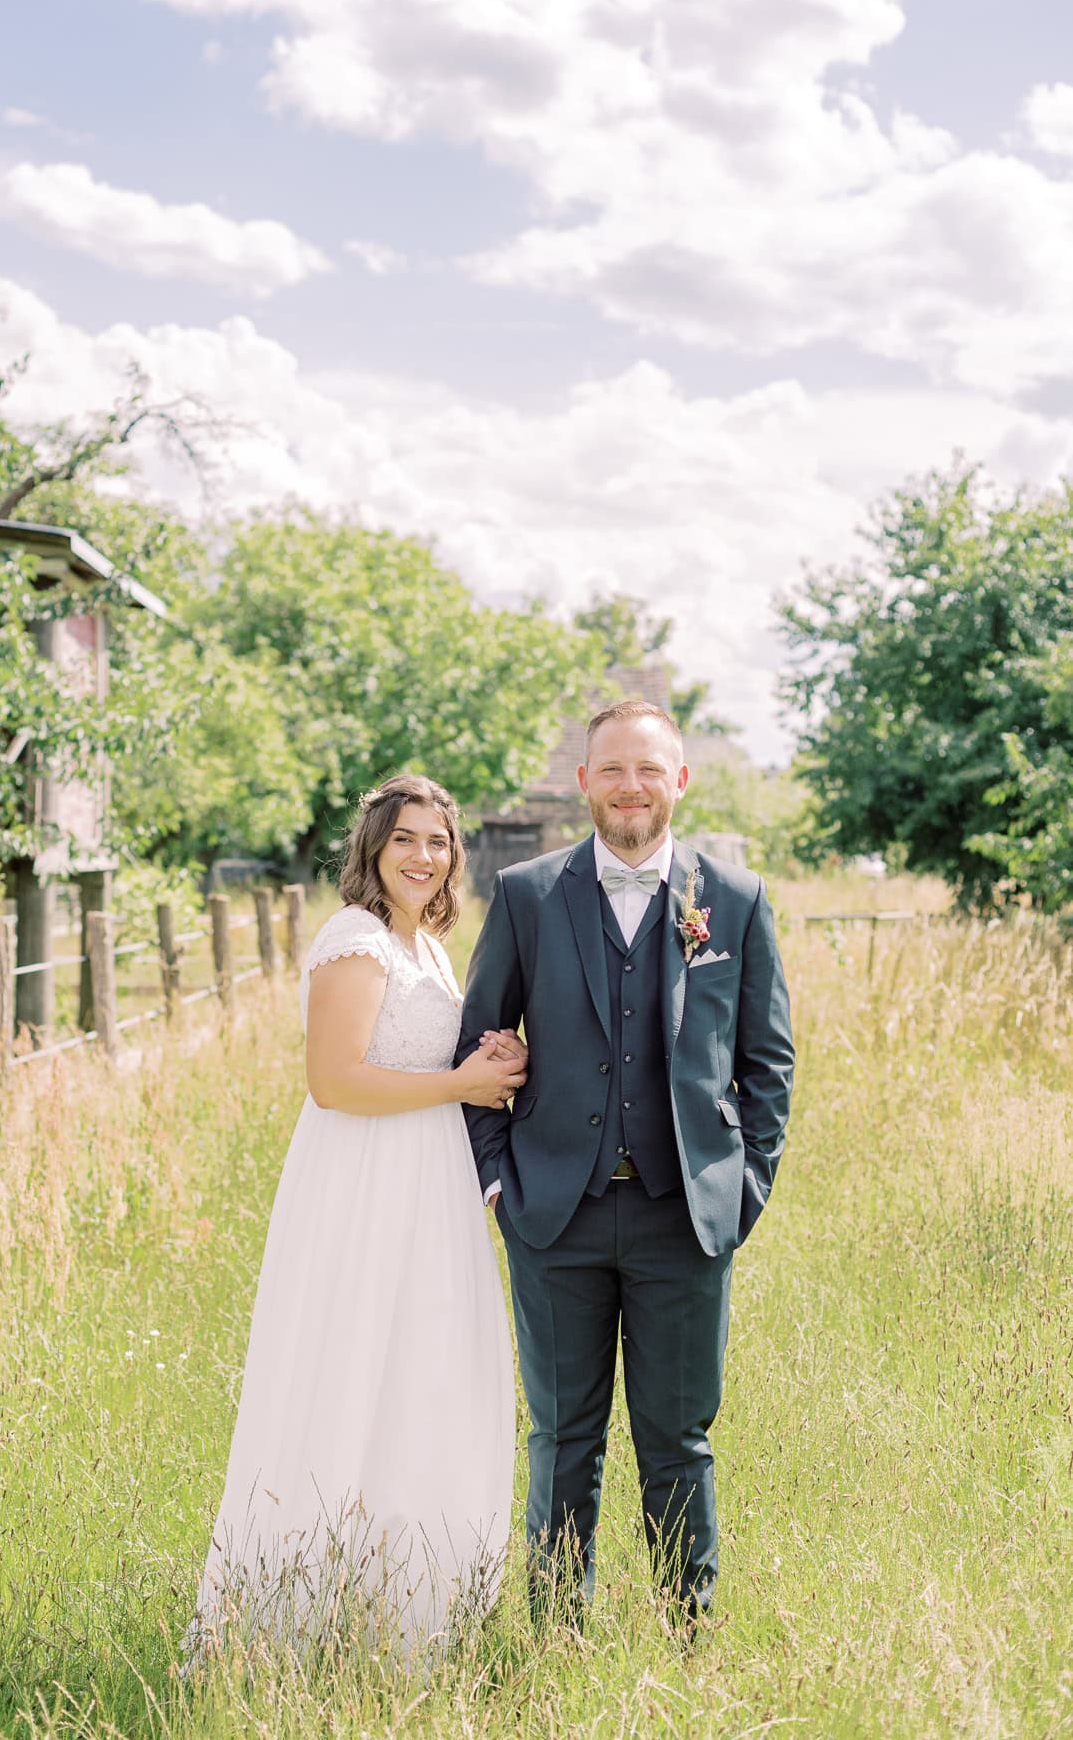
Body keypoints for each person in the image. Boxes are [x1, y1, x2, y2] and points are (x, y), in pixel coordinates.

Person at [457, 701, 794, 1634]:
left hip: (685, 1217)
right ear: (584, 783)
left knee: (678, 1440)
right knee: (563, 1437)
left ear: (680, 779)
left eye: (650, 769)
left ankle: (690, 1631)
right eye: (612, 769)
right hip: (551, 1214)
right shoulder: (526, 895)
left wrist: (742, 1188)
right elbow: (476, 1048)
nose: (631, 786)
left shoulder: (734, 897)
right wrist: (497, 1180)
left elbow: (768, 1063)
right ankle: (558, 1632)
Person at [191, 774, 523, 1661]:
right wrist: (462, 1082)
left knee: (422, 1374)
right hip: (363, 1185)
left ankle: (403, 1612)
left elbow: (425, 1053)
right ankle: (291, 1618)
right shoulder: (357, 938)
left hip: (429, 1184)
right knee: (348, 1370)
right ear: (374, 848)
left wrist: (493, 1056)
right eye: (406, 838)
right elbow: (333, 1082)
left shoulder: (429, 948)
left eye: (439, 840)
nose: (424, 855)